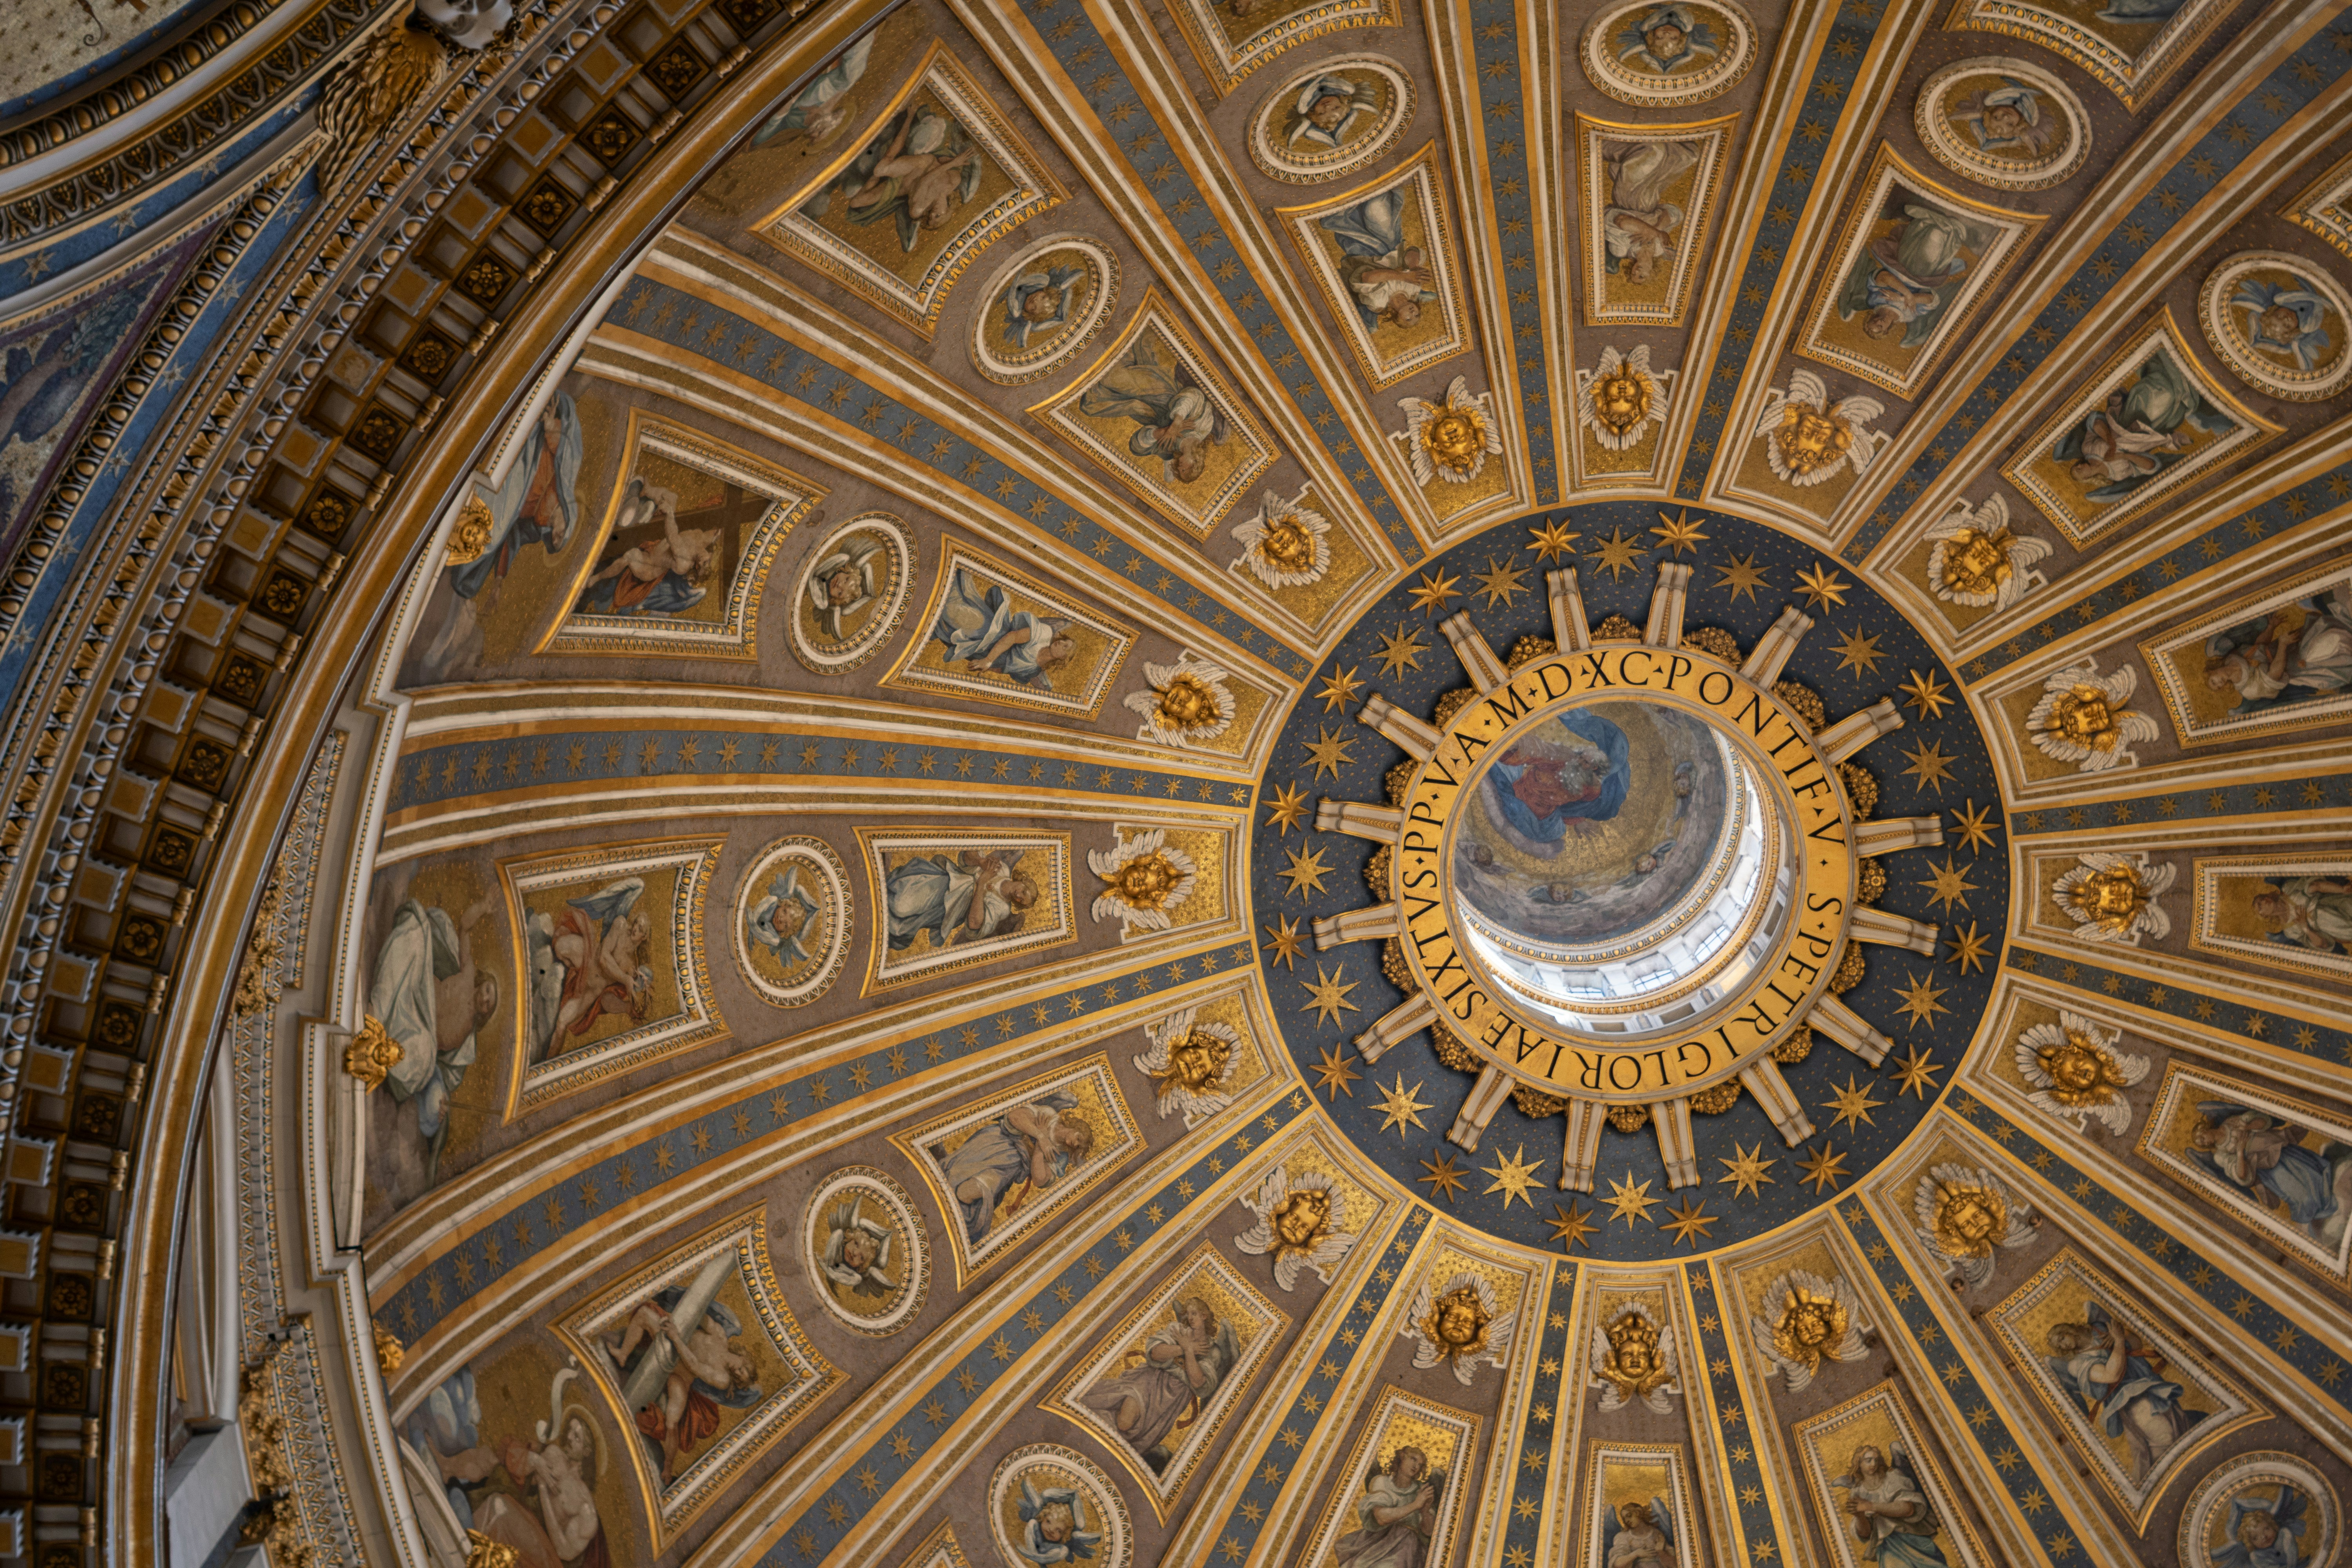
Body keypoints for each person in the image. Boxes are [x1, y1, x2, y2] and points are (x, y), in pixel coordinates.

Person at [370, 892, 501, 1185]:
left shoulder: (468, 1039)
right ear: (483, 984)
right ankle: (375, 1017)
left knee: (426, 1056)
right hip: (420, 990)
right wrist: (482, 907)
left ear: (486, 1015)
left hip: (421, 1031)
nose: (486, 999)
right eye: (489, 992)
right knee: (418, 928)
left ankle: (381, 1053)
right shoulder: (468, 974)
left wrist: (441, 1101)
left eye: (490, 1004)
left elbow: (444, 1077)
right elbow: (464, 927)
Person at [605, 1292, 762, 1483]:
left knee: (673, 1422)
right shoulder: (721, 1336)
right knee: (645, 1313)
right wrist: (686, 1309)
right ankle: (623, 1354)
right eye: (743, 1370)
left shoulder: (723, 1379)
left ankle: (668, 1468)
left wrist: (676, 1337)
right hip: (674, 1343)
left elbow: (695, 1366)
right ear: (745, 1359)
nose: (738, 1374)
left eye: (741, 1378)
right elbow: (702, 1315)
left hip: (681, 1372)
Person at [2042, 1300, 2205, 1483]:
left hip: (2149, 1383)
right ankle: (2171, 1482)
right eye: (2059, 1346)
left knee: (2179, 1428)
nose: (2062, 1347)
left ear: (2068, 1331)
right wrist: (2119, 1341)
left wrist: (2124, 1335)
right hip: (2128, 1400)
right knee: (2164, 1438)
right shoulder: (2075, 1365)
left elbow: (2136, 1345)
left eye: (2061, 1339)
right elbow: (2111, 1375)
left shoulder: (2098, 1330)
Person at [2054, 348, 2230, 501]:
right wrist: (2125, 457)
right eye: (2079, 471)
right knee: (2175, 407)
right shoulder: (2118, 475)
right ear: (2087, 479)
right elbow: (2152, 466)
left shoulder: (2088, 450)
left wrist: (2111, 441)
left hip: (2126, 421)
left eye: (2076, 467)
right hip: (2147, 435)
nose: (2079, 466)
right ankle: (2197, 376)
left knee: (2162, 394)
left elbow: (2095, 422)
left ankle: (2173, 365)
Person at [1079, 1297, 1235, 1467]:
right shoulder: (1177, 1330)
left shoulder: (1213, 1352)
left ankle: (1097, 1456)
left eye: (1194, 1313)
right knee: (1124, 1422)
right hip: (1150, 1381)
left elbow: (1198, 1383)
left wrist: (1189, 1351)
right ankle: (1084, 1436)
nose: (1190, 1318)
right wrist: (1183, 1347)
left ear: (1204, 1316)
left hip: (1172, 1400)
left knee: (1133, 1437)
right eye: (1188, 1314)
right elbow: (1156, 1354)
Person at [936, 1094, 1096, 1244]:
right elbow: (1015, 1117)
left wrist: (1042, 1145)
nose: (1076, 1144)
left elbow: (1040, 1180)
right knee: (954, 1174)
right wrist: (1040, 1136)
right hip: (996, 1141)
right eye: (1078, 1138)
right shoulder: (1049, 1115)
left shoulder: (1061, 1156)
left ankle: (951, 1225)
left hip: (1012, 1165)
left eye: (1079, 1146)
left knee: (972, 1192)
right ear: (1075, 1127)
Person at [2188, 1102, 2352, 1244]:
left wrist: (2248, 1126)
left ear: (2206, 1129)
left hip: (2277, 1147)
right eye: (2201, 1143)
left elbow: (2264, 1121)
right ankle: (2321, 1215)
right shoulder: (2219, 1155)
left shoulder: (2230, 1122)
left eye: (2202, 1138)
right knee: (2300, 1195)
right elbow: (2241, 1176)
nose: (2203, 1143)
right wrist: (2239, 1152)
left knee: (2310, 1172)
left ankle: (2330, 1200)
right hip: (2267, 1168)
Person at [526, 878, 652, 1060]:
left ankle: (544, 1065)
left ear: (644, 937)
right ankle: (543, 963)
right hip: (589, 958)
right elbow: (603, 958)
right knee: (561, 945)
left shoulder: (631, 967)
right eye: (637, 923)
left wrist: (627, 1007)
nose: (636, 929)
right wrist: (624, 979)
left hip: (591, 989)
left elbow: (607, 1000)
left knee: (561, 1024)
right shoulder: (620, 924)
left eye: (641, 929)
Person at [1078, 338, 1225, 486]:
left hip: (1143, 408)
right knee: (1111, 377)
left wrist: (1162, 432)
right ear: (1196, 463)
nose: (1181, 470)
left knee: (1090, 407)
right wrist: (1177, 423)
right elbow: (1194, 396)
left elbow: (1136, 447)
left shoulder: (1170, 449)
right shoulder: (1203, 428)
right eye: (1185, 471)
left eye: (1180, 473)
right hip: (1161, 392)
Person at [1838, 202, 1987, 347]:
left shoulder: (1874, 301)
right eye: (1881, 328)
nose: (1879, 323)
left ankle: (1931, 222)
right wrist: (1905, 298)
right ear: (1887, 329)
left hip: (1900, 266)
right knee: (1934, 240)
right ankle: (1945, 229)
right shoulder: (1908, 317)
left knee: (1919, 237)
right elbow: (1931, 299)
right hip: (1923, 277)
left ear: (1870, 318)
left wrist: (1907, 296)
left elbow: (1885, 277)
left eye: (1874, 323)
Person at [840, 107, 984, 252]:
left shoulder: (918, 211)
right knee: (881, 169)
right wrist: (951, 161)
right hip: (923, 164)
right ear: (947, 212)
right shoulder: (954, 182)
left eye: (930, 218)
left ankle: (873, 174)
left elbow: (926, 181)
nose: (932, 214)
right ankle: (909, 117)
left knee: (856, 202)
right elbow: (940, 165)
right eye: (938, 216)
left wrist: (953, 163)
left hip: (903, 184)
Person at [1482, 710, 1632, 848]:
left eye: (1585, 762)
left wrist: (1576, 821)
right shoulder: (1565, 758)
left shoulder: (1593, 790)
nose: (1579, 762)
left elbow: (1576, 808)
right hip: (1521, 791)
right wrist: (1518, 745)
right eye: (1581, 757)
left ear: (1594, 768)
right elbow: (1541, 749)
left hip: (1541, 812)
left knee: (1552, 835)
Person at [2201, 587, 2352, 715]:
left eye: (2214, 681)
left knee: (2329, 625)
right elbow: (2275, 674)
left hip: (2291, 645)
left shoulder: (2232, 657)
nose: (2219, 683)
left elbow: (2260, 645)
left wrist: (2271, 627)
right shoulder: (2248, 690)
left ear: (2212, 671)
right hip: (2296, 665)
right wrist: (2282, 645)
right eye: (2218, 687)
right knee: (2327, 645)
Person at [577, 481, 716, 617]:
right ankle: (647, 491)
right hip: (655, 545)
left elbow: (672, 536)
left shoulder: (684, 563)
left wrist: (669, 513)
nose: (704, 561)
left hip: (648, 566)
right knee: (672, 497)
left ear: (696, 567)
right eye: (707, 562)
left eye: (702, 566)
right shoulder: (703, 541)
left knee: (630, 556)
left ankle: (596, 578)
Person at [931, 567, 1077, 687]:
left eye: (1065, 648)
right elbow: (1012, 637)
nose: (1061, 643)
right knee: (954, 609)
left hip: (983, 654)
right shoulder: (1045, 635)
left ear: (1062, 658)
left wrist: (986, 665)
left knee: (949, 631)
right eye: (1065, 641)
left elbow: (1004, 670)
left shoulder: (1032, 672)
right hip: (994, 633)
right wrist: (989, 659)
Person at [884, 846, 1035, 955]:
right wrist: (980, 861)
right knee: (900, 896)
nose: (1019, 896)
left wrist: (981, 883)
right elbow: (967, 855)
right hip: (945, 881)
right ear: (1024, 881)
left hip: (951, 909)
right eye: (1024, 891)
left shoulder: (1003, 908)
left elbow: (975, 924)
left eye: (1021, 900)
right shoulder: (1002, 869)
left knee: (900, 915)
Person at [1320, 192, 1438, 330]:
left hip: (1361, 250)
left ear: (1396, 316)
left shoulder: (1378, 303)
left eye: (1408, 318)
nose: (1413, 314)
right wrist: (1413, 266)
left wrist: (1404, 276)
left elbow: (1368, 276)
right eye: (1417, 315)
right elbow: (1413, 251)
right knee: (1375, 207)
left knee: (1351, 212)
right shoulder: (1414, 289)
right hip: (1390, 242)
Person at [1833, 1444, 1947, 1568]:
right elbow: (1866, 1534)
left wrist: (1871, 1506)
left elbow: (1908, 1509)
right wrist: (1860, 1516)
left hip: (1912, 1537)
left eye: (1876, 1460)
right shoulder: (1857, 1492)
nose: (1873, 1464)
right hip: (1887, 1547)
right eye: (1868, 1460)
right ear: (1859, 1464)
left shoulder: (1892, 1478)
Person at [1600, 142, 1699, 284]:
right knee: (1688, 156)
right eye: (1642, 276)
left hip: (1628, 197)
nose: (1636, 272)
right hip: (1650, 197)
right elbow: (1672, 213)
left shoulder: (1622, 250)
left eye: (1634, 274)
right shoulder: (1660, 249)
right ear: (1652, 272)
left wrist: (1656, 232)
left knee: (1654, 152)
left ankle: (1600, 145)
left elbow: (1621, 220)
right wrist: (1657, 229)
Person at [750, 35, 873, 149]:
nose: (818, 131)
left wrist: (794, 96)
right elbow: (843, 80)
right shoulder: (832, 95)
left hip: (787, 79)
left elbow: (760, 139)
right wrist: (835, 98)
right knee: (852, 75)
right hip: (814, 60)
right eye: (823, 131)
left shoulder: (794, 126)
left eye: (818, 133)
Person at [1334, 1446, 1440, 1567]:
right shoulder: (1383, 1483)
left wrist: (1425, 1511)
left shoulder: (1421, 1490)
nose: (1416, 1466)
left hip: (1407, 1546)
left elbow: (1429, 1532)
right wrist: (1416, 1505)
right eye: (1413, 1459)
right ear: (1402, 1457)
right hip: (1378, 1541)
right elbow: (1381, 1518)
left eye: (1420, 1464)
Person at [2249, 875, 2352, 957]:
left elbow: (2316, 886)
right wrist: (2305, 927)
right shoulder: (2290, 931)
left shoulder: (2288, 889)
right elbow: (2322, 944)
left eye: (2263, 898)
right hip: (2335, 927)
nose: (2264, 901)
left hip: (2336, 902)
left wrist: (2342, 889)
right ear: (2265, 916)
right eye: (2260, 905)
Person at [2213, 1485, 2312, 1568]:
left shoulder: (2283, 1535)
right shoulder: (2257, 1556)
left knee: (2286, 1532)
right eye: (2255, 1538)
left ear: (2273, 1526)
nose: (2264, 1537)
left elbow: (2291, 1552)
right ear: (2251, 1543)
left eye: (2266, 1529)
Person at [1287, 75, 1378, 149]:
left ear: (1313, 113)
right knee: (1351, 89)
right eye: (1336, 108)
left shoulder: (1305, 106)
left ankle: (1334, 140)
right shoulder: (1342, 91)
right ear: (1343, 103)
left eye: (1322, 113)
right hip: (1322, 78)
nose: (1327, 107)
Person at [1002, 266, 1084, 349]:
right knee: (1046, 281)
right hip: (1025, 282)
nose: (1035, 301)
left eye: (1034, 308)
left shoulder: (1017, 309)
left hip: (1017, 287)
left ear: (1030, 314)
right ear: (1046, 292)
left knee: (1015, 313)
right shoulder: (1041, 284)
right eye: (1043, 297)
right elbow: (1065, 290)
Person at [1617, 4, 1715, 73]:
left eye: (1660, 38)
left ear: (1652, 36)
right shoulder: (1686, 26)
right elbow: (1679, 7)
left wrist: (1663, 8)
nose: (1667, 34)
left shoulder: (1648, 26)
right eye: (1673, 38)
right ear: (1681, 38)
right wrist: (1672, 7)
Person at [1606, 1500, 1677, 1568]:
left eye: (1629, 1515)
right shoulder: (1623, 1537)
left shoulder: (1656, 1533)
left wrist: (1661, 1552)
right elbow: (1616, 1564)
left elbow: (1675, 1564)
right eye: (1624, 1519)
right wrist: (1636, 1554)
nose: (1627, 1520)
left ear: (1639, 1512)